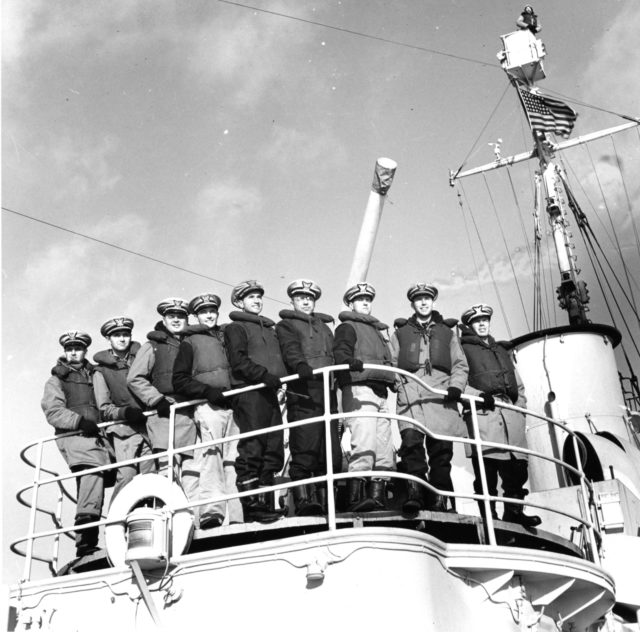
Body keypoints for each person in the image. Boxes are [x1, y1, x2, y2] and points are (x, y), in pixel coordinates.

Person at [459, 303, 541, 527]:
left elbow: (519, 386)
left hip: (511, 417)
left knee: (516, 471)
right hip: (484, 416)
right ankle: (490, 517)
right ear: (469, 325)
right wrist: (478, 396)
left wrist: (519, 410)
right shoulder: (462, 350)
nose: (482, 324)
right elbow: (457, 382)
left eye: (485, 320)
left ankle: (514, 512)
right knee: (487, 473)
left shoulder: (501, 351)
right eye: (477, 321)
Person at [391, 283, 468, 514]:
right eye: (419, 299)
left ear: (433, 302)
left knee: (441, 454)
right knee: (412, 448)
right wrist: (399, 384)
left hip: (441, 400)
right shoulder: (400, 334)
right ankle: (415, 495)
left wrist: (456, 387)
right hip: (411, 400)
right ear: (412, 304)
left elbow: (460, 365)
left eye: (427, 298)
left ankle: (439, 500)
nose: (423, 302)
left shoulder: (448, 333)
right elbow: (391, 363)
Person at [173, 293, 243, 529]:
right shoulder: (189, 342)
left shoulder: (225, 337)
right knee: (211, 457)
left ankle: (237, 514)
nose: (210, 315)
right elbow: (179, 380)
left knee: (234, 460)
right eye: (204, 312)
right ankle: (211, 512)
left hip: (233, 405)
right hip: (209, 406)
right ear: (195, 316)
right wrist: (205, 391)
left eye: (212, 311)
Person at [276, 279, 342, 516]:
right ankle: (304, 502)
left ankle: (328, 505)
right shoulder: (286, 325)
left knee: (330, 450)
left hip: (327, 390)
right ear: (292, 301)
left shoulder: (325, 328)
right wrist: (300, 365)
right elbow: (290, 349)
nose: (306, 301)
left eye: (310, 298)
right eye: (301, 297)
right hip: (304, 389)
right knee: (305, 445)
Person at [41, 331, 110, 558]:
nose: (73, 352)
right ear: (64, 352)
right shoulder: (57, 380)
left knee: (101, 480)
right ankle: (86, 542)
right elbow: (53, 412)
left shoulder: (95, 375)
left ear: (85, 351)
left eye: (77, 348)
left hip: (97, 437)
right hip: (75, 435)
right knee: (91, 477)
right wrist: (79, 421)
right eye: (69, 348)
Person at [224, 280, 287, 523]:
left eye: (259, 296)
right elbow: (238, 362)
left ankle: (267, 504)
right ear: (239, 302)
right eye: (251, 297)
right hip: (250, 391)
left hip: (269, 391)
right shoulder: (236, 328)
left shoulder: (268, 329)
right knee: (253, 446)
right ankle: (252, 507)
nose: (257, 301)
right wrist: (263, 376)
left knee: (273, 447)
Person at [127, 298, 198, 502]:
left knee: (193, 470)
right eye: (171, 316)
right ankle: (169, 517)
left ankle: (193, 516)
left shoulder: (193, 342)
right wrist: (156, 400)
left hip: (191, 412)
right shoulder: (152, 346)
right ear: (164, 320)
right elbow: (135, 378)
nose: (176, 320)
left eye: (181, 316)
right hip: (165, 413)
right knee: (168, 469)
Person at [333, 282, 396, 512]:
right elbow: (340, 351)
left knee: (384, 447)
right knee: (365, 444)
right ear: (351, 303)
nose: (366, 303)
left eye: (368, 299)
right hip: (360, 389)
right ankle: (354, 499)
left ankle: (377, 497)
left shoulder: (378, 332)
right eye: (360, 300)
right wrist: (348, 361)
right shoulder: (347, 327)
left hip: (380, 392)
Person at [93, 317, 155, 501]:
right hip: (123, 431)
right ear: (108, 339)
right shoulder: (101, 371)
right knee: (127, 476)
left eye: (125, 334)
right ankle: (116, 523)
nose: (122, 339)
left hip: (148, 428)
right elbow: (103, 407)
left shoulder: (143, 357)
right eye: (117, 335)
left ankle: (147, 519)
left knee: (151, 477)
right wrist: (125, 413)